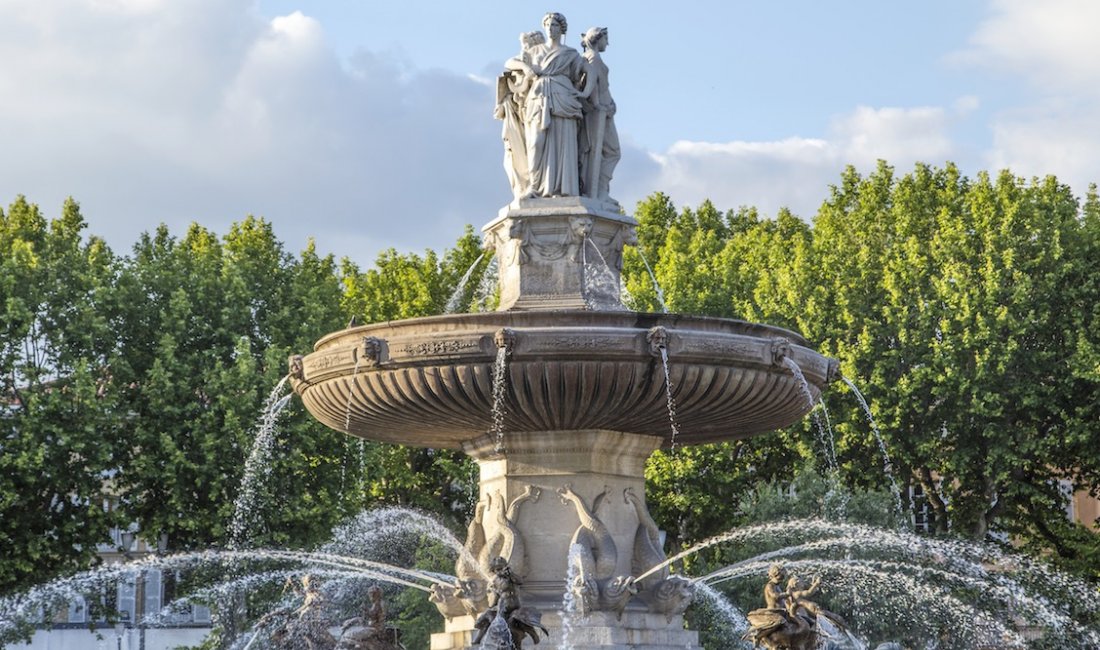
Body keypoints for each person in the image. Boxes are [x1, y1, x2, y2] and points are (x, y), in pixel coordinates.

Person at [506, 12, 594, 198]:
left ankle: (564, 189)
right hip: (538, 98)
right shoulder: (535, 51)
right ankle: (535, 187)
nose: (550, 29)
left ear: (561, 29)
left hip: (563, 98)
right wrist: (526, 67)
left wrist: (585, 93)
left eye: (554, 25)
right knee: (536, 143)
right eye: (547, 25)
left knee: (563, 143)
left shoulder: (570, 54)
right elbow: (510, 62)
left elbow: (590, 70)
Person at [496, 31, 545, 199]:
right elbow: (509, 62)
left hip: (537, 113)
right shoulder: (523, 61)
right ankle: (527, 186)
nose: (523, 48)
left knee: (535, 148)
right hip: (521, 116)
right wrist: (526, 68)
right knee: (517, 155)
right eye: (523, 44)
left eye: (526, 44)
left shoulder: (542, 62)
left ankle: (537, 186)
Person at [578, 26, 620, 205]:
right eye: (605, 39)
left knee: (602, 151)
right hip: (599, 112)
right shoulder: (593, 58)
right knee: (608, 151)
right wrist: (598, 105)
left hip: (603, 110)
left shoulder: (591, 57)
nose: (607, 43)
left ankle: (599, 191)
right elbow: (592, 82)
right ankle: (598, 191)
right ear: (598, 38)